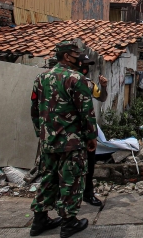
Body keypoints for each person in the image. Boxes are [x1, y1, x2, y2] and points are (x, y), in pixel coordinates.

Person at [29, 41, 97, 238]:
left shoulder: (41, 78)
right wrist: (91, 136)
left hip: (48, 140)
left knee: (48, 179)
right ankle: (69, 222)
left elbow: (34, 110)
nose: (79, 57)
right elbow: (86, 112)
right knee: (71, 180)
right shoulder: (77, 79)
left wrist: (41, 134)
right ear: (67, 56)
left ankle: (39, 219)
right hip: (71, 141)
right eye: (76, 54)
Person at [76, 53, 108, 207]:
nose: (86, 68)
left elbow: (101, 98)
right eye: (84, 64)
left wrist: (103, 86)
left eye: (89, 65)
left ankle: (88, 194)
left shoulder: (89, 84)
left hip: (86, 132)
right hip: (69, 134)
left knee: (89, 165)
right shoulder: (65, 82)